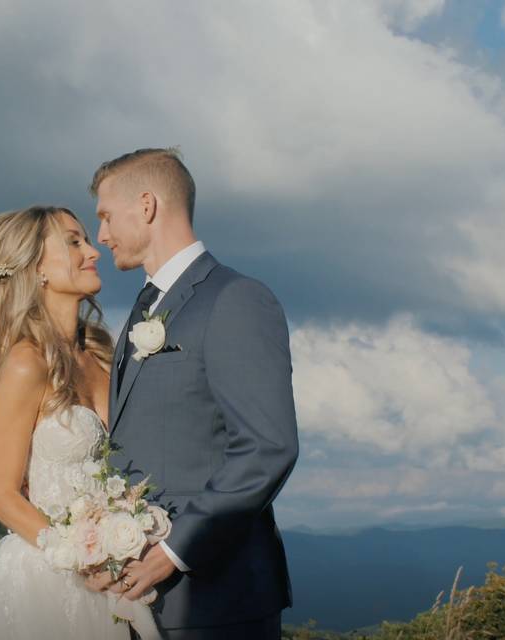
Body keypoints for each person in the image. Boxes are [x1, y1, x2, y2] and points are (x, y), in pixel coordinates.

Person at [85, 148, 299, 639]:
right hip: (141, 597)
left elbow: (268, 446)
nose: (101, 235)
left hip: (214, 599)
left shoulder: (235, 299)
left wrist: (174, 552)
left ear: (146, 206)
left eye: (105, 216)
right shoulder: (143, 309)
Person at [0, 205, 130, 639]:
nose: (93, 251)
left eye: (87, 240)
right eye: (74, 242)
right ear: (36, 267)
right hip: (48, 579)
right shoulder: (25, 363)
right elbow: (3, 496)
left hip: (119, 576)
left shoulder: (101, 353)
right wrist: (82, 559)